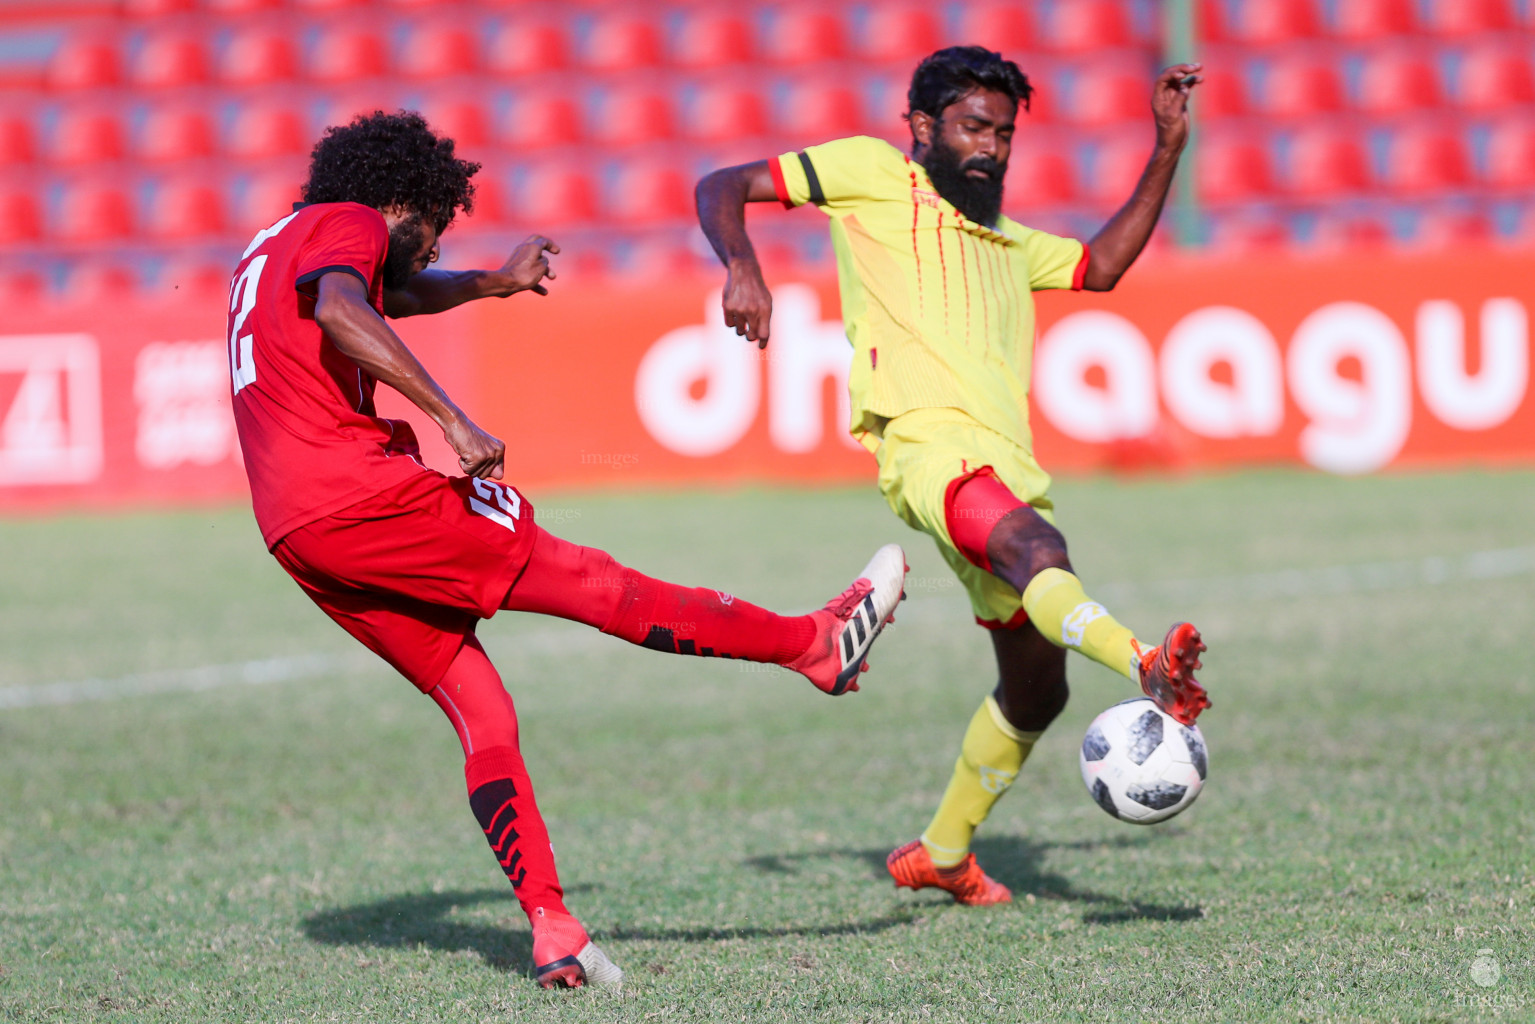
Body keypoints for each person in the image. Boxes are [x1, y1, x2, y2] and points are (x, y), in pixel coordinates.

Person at [226, 110, 907, 987]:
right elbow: (346, 302)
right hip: (360, 495)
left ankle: (553, 928)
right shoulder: (351, 223)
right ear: (403, 203)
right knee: (591, 581)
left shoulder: (271, 245)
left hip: (295, 529)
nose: (432, 252)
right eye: (432, 233)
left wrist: (492, 286)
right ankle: (810, 646)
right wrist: (451, 418)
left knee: (480, 706)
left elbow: (375, 294)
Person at [695, 48, 1211, 907]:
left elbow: (1101, 266)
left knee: (1037, 689)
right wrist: (741, 265)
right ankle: (1146, 664)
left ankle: (942, 851)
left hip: (1006, 466)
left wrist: (1164, 148)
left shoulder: (1007, 242)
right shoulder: (870, 173)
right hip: (924, 446)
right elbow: (721, 182)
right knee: (1040, 546)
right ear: (924, 126)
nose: (992, 148)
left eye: (1005, 135)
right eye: (975, 127)